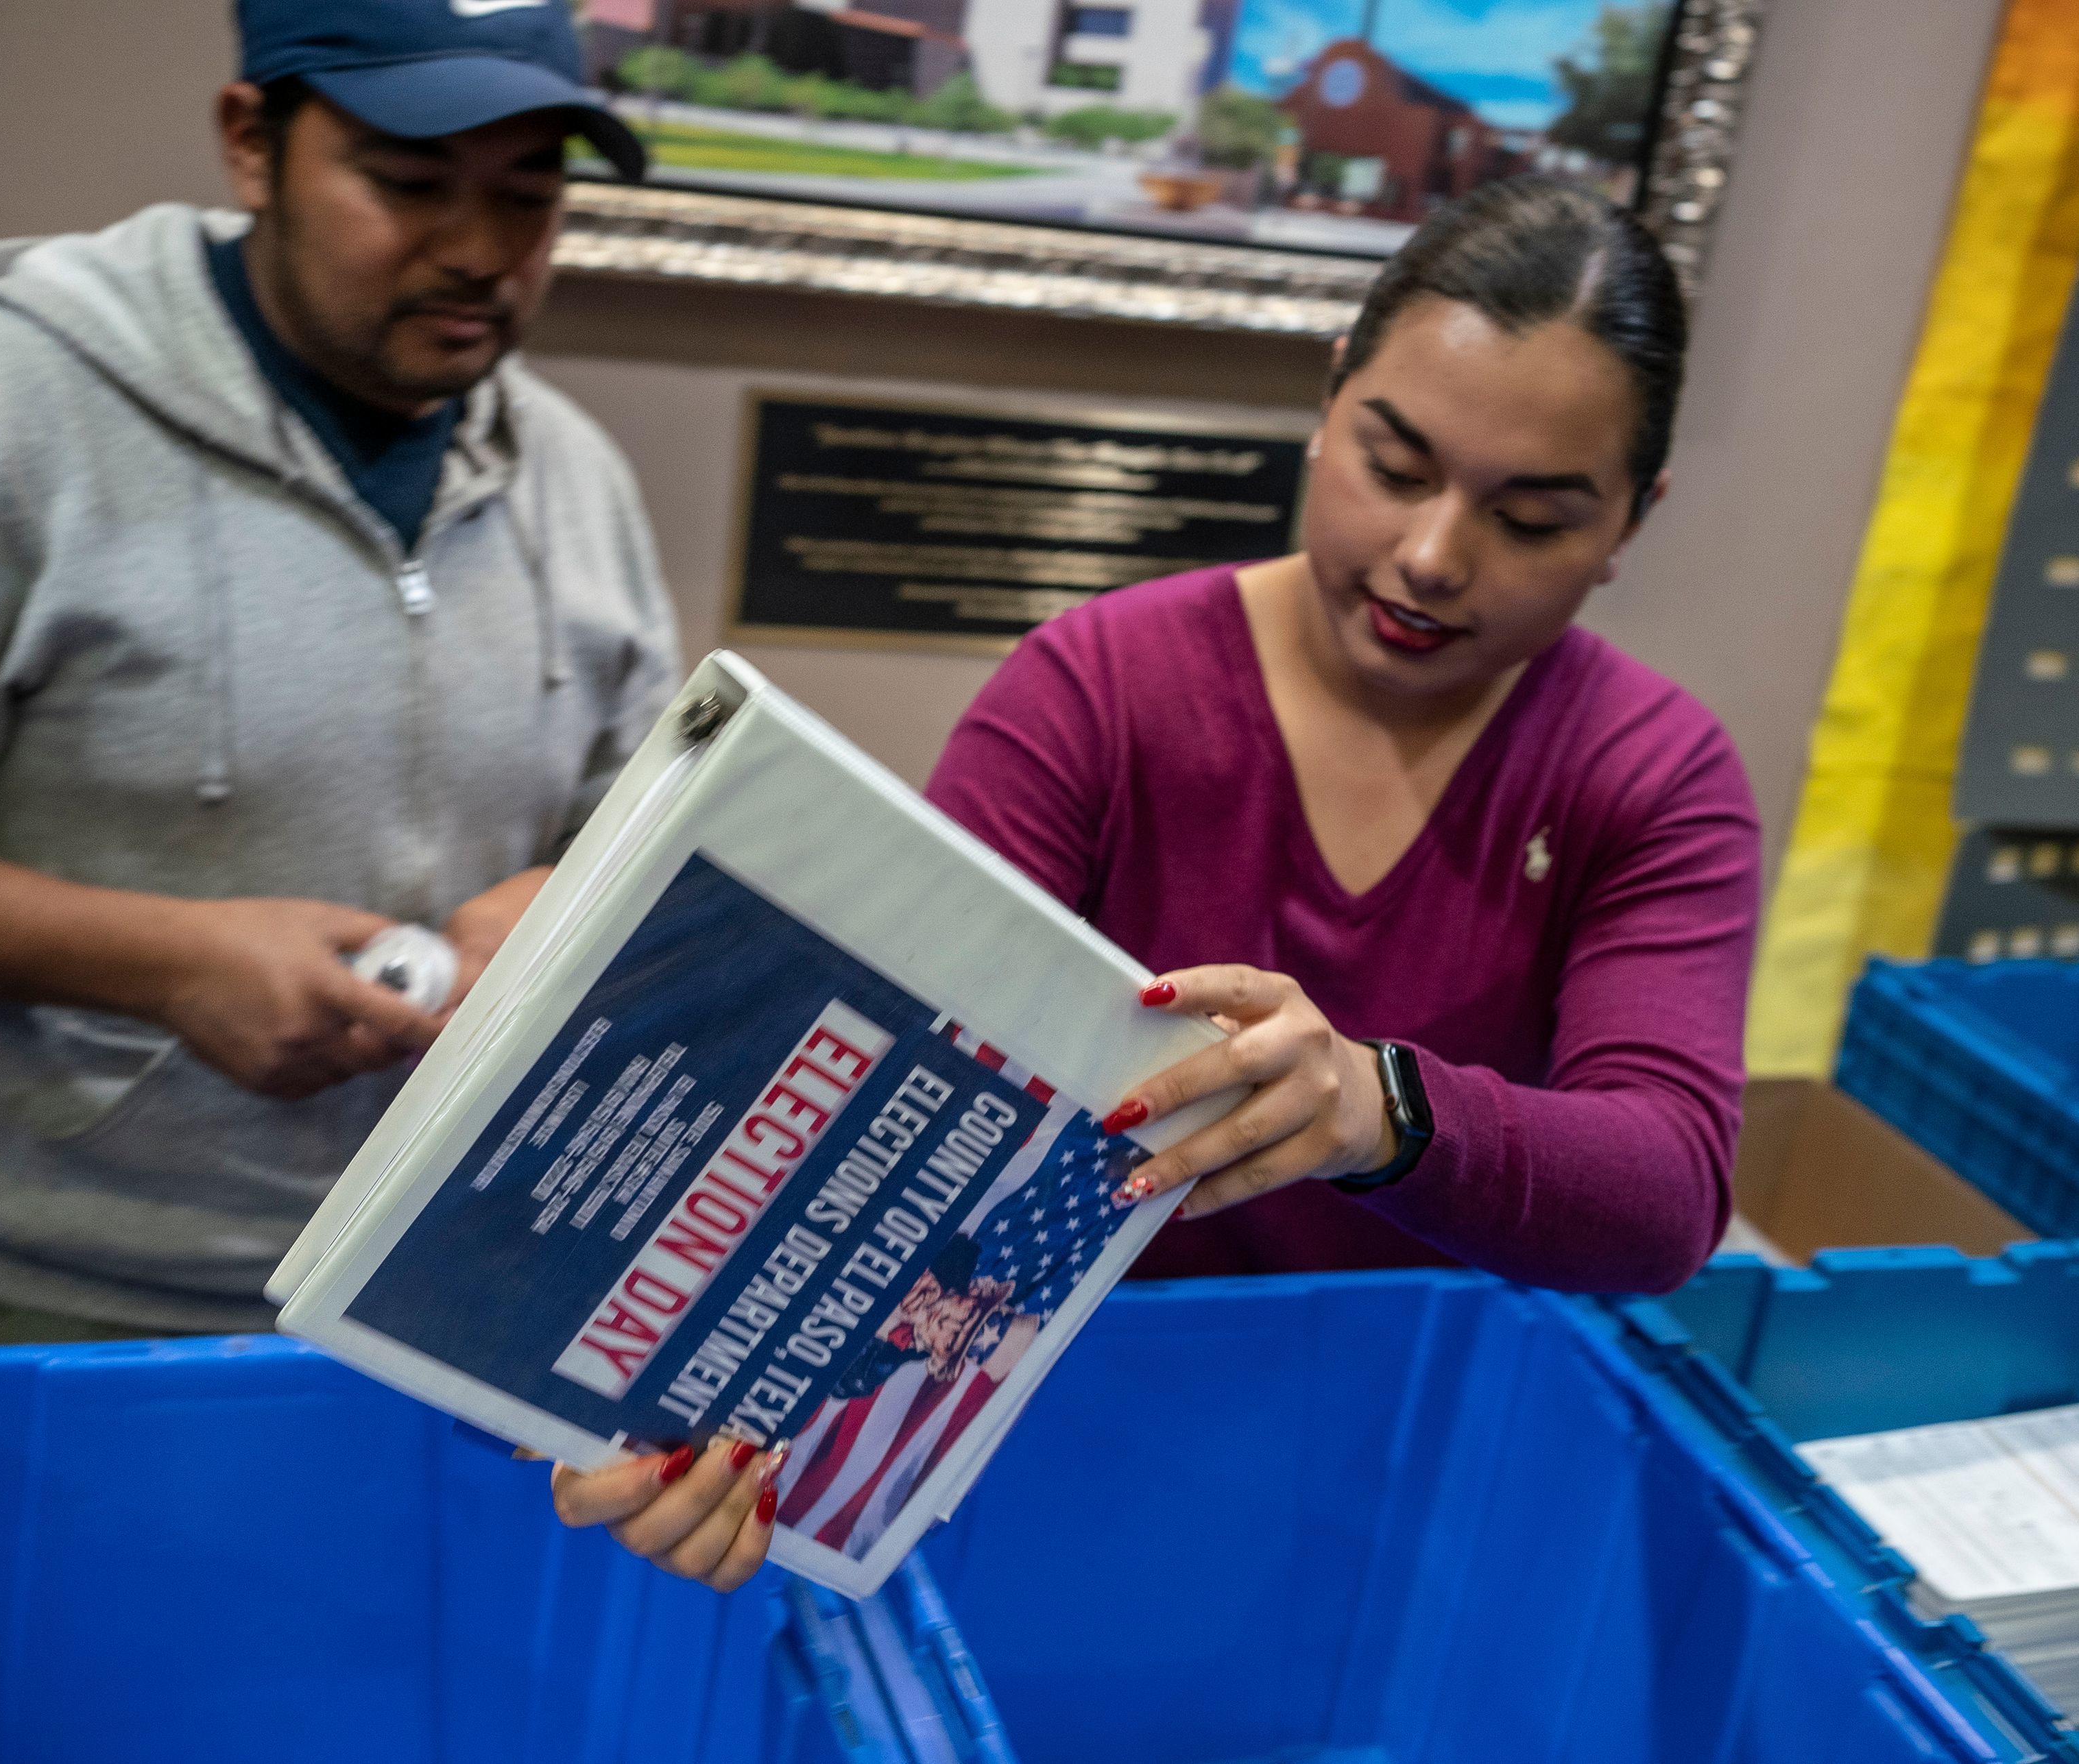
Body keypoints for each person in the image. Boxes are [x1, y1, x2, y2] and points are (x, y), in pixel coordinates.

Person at [548, 176, 1761, 1590]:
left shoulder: (1649, 776)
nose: (1431, 556)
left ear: (1629, 520)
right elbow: (880, 1096)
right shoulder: (1098, 694)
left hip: (1409, 1486)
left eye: (1533, 518)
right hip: (1044, 1447)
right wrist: (690, 1399)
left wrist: (1381, 1111)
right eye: (1393, 464)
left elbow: (1664, 1187)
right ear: (1329, 401)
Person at [0, 0, 680, 1348]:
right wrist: (162, 965)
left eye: (528, 199)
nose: (478, 253)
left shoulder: (575, 476)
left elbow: (647, 822)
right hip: (27, 1308)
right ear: (251, 142)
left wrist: (555, 902)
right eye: (406, 185)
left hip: (442, 1306)